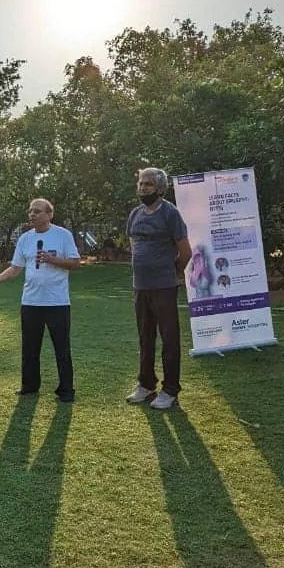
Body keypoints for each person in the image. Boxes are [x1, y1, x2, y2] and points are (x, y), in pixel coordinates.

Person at [0, 199, 82, 402]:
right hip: (30, 302)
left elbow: (75, 263)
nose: (32, 214)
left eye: (37, 211)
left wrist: (52, 259)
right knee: (29, 347)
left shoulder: (63, 235)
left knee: (61, 347)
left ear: (49, 215)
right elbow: (16, 267)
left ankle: (66, 390)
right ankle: (29, 386)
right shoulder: (25, 239)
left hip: (57, 303)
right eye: (30, 211)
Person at [123, 168, 192, 411]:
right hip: (140, 287)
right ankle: (146, 384)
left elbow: (185, 252)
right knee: (145, 337)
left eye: (149, 185)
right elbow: (135, 245)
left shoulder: (170, 213)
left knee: (169, 338)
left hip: (164, 287)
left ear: (160, 188)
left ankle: (170, 390)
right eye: (141, 184)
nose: (143, 188)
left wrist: (172, 273)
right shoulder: (135, 214)